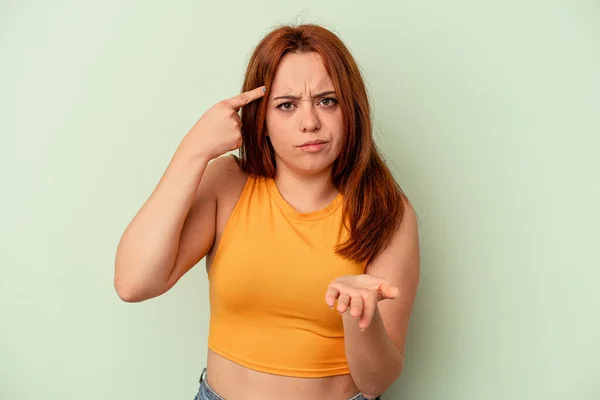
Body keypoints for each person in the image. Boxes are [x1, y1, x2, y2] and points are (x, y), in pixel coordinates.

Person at [114, 23, 420, 400]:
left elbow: (377, 381)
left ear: (351, 110)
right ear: (261, 119)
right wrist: (193, 151)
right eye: (287, 105)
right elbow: (133, 283)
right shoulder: (228, 184)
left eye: (327, 100)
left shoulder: (387, 211)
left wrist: (362, 317)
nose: (310, 122)